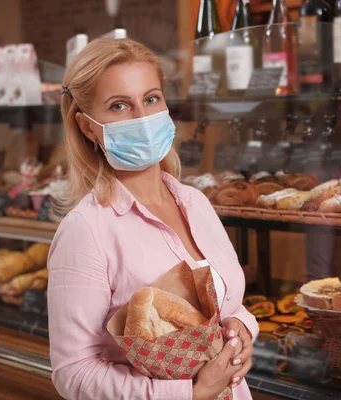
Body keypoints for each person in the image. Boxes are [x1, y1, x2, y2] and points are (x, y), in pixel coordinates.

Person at [47, 37, 259, 400]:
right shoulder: (86, 231)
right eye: (119, 106)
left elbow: (227, 303)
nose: (142, 118)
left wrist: (241, 327)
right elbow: (74, 373)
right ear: (87, 128)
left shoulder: (195, 202)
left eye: (151, 99)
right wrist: (189, 394)